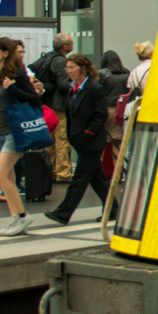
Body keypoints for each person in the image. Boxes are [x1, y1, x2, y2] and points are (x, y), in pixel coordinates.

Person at [0, 36, 45, 237]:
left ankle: (21, 216)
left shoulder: (16, 74)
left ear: (5, 53)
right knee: (8, 176)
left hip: (14, 130)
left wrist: (12, 88)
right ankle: (16, 219)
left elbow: (34, 99)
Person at [44, 53, 111, 226]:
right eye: (67, 68)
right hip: (79, 140)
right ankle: (114, 209)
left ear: (82, 68)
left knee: (79, 179)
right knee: (97, 179)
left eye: (72, 68)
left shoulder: (94, 88)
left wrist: (88, 133)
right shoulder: (72, 89)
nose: (69, 71)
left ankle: (63, 213)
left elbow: (101, 115)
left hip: (92, 141)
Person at [31, 34, 76, 182]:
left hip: (47, 105)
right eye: (70, 43)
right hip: (59, 106)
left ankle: (51, 171)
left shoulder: (47, 57)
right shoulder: (61, 61)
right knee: (62, 138)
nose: (72, 45)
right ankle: (63, 173)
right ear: (65, 47)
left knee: (50, 140)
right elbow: (64, 84)